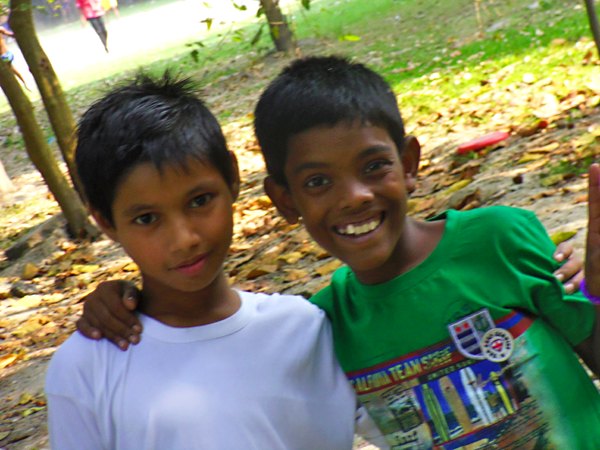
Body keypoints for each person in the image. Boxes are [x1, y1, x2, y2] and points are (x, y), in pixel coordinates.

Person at [76, 57, 600, 448]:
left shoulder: (498, 240)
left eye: (374, 166)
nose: (354, 196)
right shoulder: (323, 327)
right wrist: (120, 299)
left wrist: (597, 293)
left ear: (409, 163)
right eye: (318, 181)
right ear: (285, 200)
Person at [44, 72, 358, 449]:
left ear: (232, 177)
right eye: (147, 218)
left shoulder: (307, 329)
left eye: (199, 201)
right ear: (106, 223)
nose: (184, 239)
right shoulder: (87, 368)